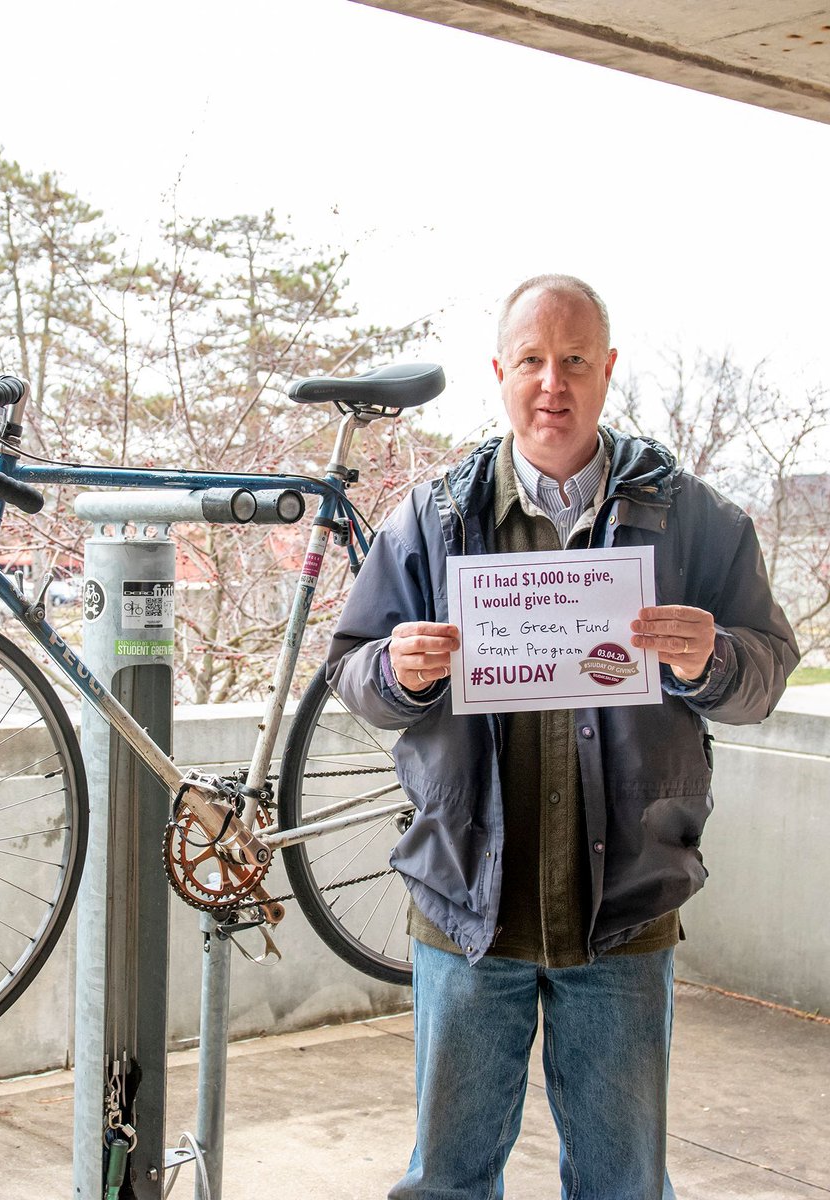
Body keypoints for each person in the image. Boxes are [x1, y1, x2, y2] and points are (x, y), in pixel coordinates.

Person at [326, 275, 799, 1199]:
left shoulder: (696, 521)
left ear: (608, 370)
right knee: (446, 1183)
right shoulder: (434, 518)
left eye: (575, 360)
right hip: (467, 908)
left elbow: (767, 673)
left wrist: (714, 658)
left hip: (622, 908)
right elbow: (352, 672)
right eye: (533, 361)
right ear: (500, 372)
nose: (555, 383)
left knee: (623, 1182)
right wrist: (396, 670)